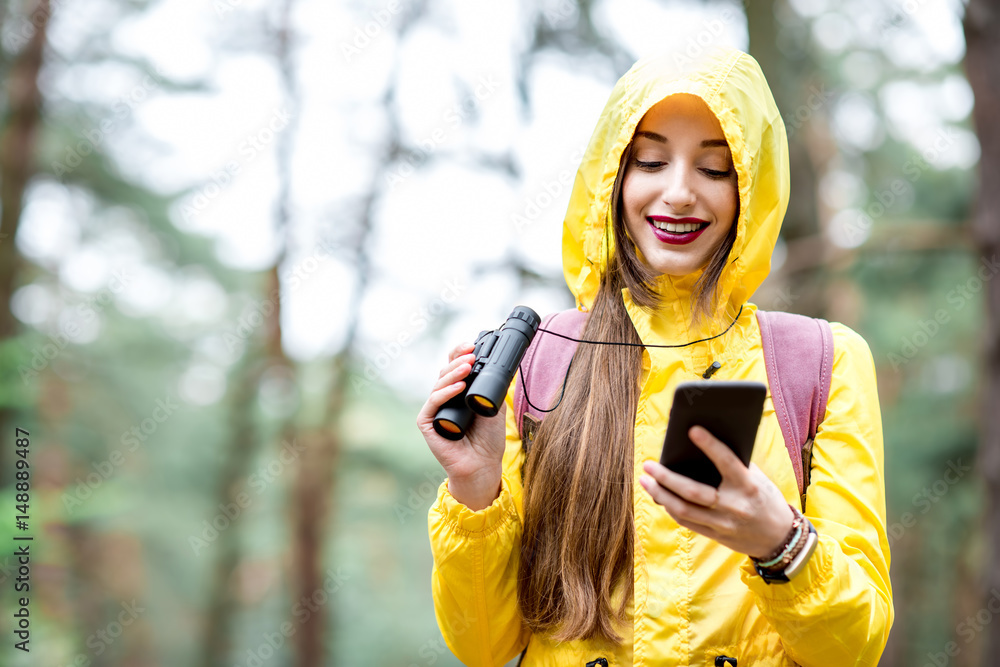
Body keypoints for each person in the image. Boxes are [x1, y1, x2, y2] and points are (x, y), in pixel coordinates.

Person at [416, 46, 892, 666]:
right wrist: (474, 489)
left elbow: (855, 649)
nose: (679, 193)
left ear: (753, 189)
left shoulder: (823, 364)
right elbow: (483, 646)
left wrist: (781, 546)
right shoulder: (539, 362)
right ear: (613, 177)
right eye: (650, 161)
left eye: (716, 170)